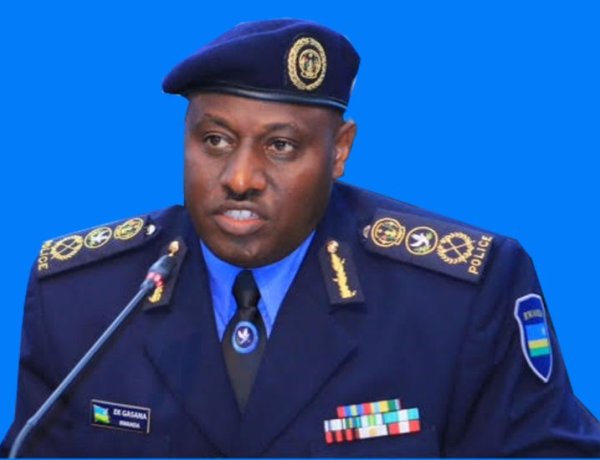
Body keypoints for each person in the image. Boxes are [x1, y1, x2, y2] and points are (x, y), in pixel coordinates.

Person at [1, 18, 599, 457]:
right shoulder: (81, 298)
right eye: (214, 140)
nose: (240, 177)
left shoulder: (459, 299)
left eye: (281, 146)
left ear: (339, 152)